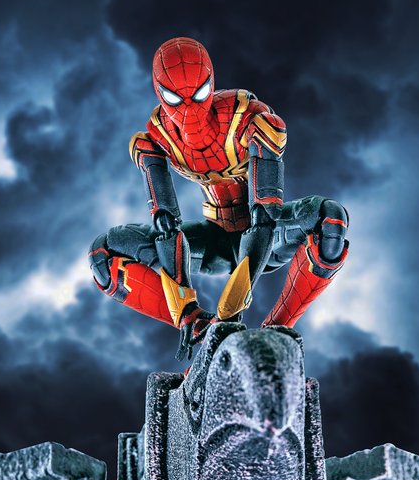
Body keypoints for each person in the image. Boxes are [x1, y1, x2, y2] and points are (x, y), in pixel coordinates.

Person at [89, 37, 348, 360]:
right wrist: (185, 310)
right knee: (103, 255)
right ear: (159, 91)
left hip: (269, 238)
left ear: (210, 83)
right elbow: (167, 225)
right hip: (213, 243)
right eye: (175, 98)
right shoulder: (155, 139)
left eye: (198, 94)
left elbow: (265, 215)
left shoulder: (248, 118)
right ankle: (200, 327)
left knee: (331, 221)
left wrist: (234, 304)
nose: (188, 109)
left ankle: (277, 331)